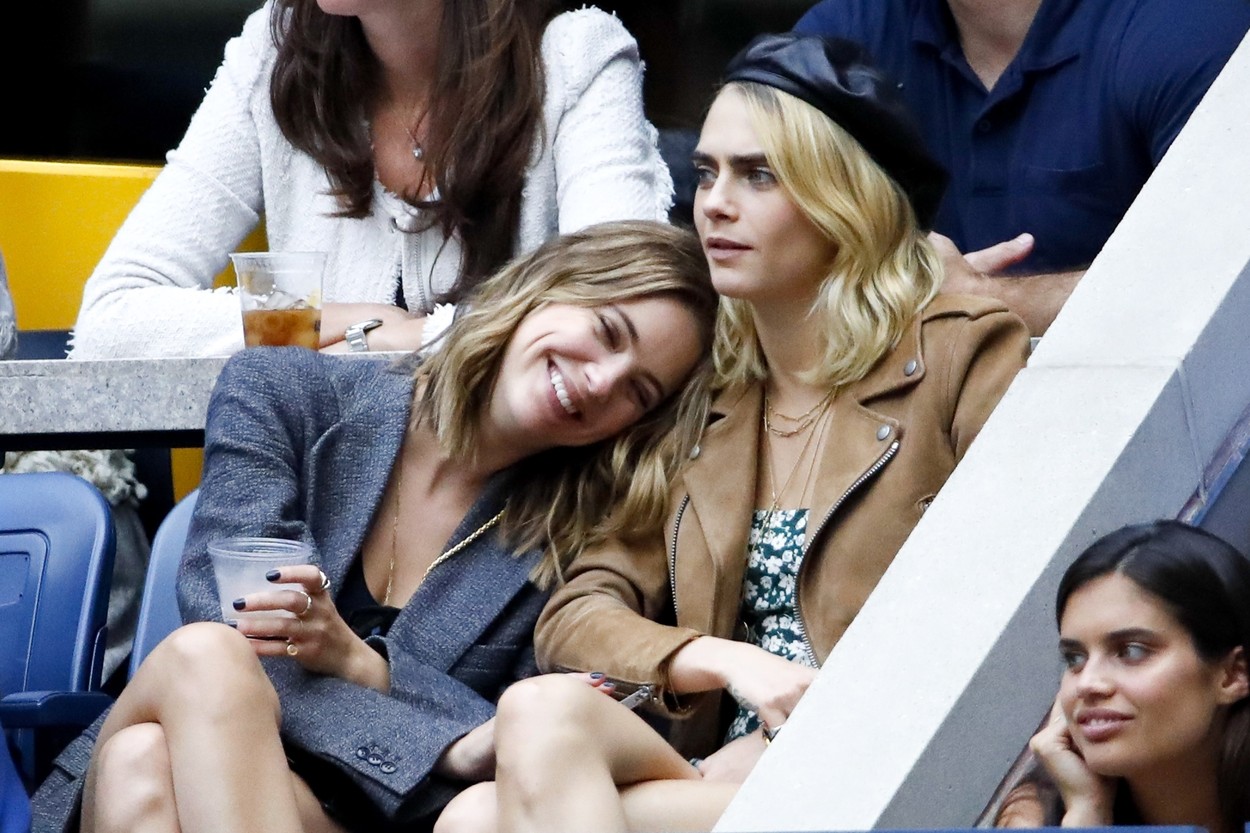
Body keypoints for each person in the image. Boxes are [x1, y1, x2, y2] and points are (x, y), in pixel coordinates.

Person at [433, 33, 1032, 833]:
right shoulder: (707, 392)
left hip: (886, 756)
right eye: (708, 172)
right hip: (725, 765)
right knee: (530, 725)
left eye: (758, 175)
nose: (714, 202)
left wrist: (815, 713)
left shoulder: (960, 352)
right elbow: (579, 611)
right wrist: (728, 664)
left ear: (840, 196)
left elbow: (1004, 595)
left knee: (479, 816)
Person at [29, 220, 718, 833]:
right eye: (605, 333)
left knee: (140, 764)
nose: (601, 380)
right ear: (546, 287)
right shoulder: (282, 391)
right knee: (206, 656)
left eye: (637, 391)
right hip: (228, 736)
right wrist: (445, 737)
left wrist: (366, 667)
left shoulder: (576, 530)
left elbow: (535, 742)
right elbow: (234, 620)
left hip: (374, 812)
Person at [68, 0, 673, 359]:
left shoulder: (578, 58)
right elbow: (112, 323)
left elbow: (621, 316)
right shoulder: (275, 49)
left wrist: (418, 337)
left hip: (519, 510)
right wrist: (344, 324)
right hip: (316, 515)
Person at [792, 0, 1250, 336]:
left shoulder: (1187, 27)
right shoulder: (847, 30)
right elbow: (741, 232)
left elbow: (1228, 294)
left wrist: (979, 301)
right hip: (908, 426)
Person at [993, 520, 1250, 833]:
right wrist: (1087, 815)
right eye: (1075, 658)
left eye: (1132, 652)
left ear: (1234, 674)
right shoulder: (1038, 817)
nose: (1087, 683)